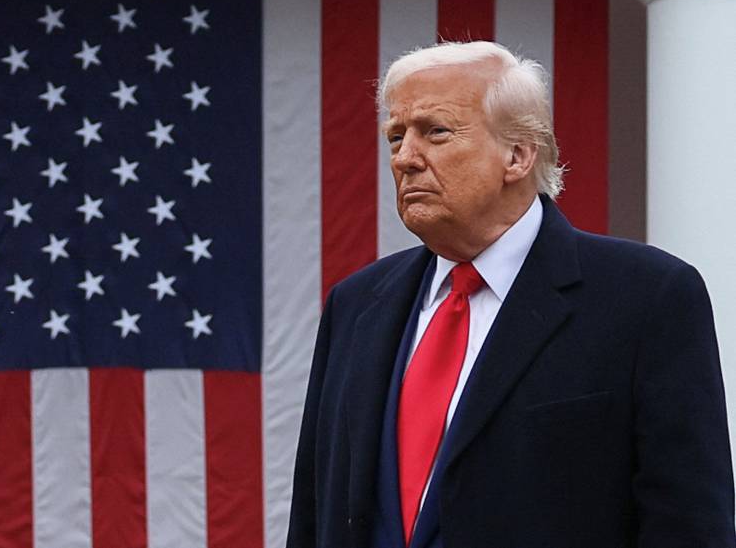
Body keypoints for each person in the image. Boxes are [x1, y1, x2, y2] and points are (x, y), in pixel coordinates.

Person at [286, 41, 734, 548]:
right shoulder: (356, 305)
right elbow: (314, 513)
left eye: (435, 132)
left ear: (518, 155)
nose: (406, 158)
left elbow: (691, 525)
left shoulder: (647, 297)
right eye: (396, 137)